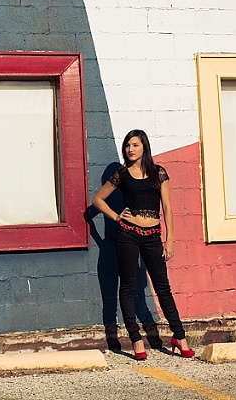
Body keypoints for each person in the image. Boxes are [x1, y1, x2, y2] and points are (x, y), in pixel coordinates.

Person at [92, 129, 195, 360]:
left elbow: (167, 207)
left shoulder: (159, 173)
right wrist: (116, 216)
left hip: (153, 236)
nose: (130, 149)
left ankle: (180, 337)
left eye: (135, 145)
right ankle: (136, 340)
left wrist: (170, 239)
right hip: (127, 235)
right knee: (127, 286)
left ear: (144, 147)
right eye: (128, 145)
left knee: (162, 287)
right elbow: (97, 200)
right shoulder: (121, 174)